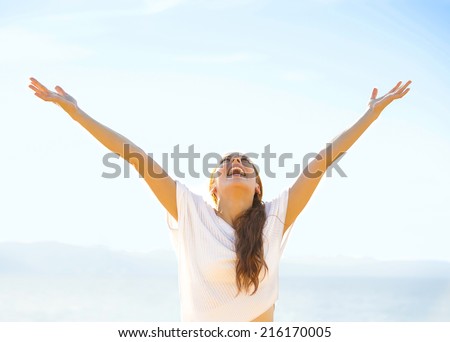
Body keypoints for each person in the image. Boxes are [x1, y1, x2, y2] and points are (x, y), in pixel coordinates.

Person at [28, 77, 412, 321]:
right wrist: (77, 114)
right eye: (226, 164)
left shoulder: (276, 218)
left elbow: (323, 161)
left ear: (258, 186)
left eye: (245, 163)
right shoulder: (191, 212)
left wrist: (371, 115)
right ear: (213, 187)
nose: (236, 165)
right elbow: (136, 157)